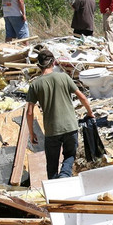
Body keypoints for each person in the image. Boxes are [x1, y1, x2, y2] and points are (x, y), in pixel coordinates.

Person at [27, 49, 95, 179]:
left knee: (51, 165)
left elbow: (29, 113)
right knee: (69, 156)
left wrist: (32, 133)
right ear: (53, 63)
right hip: (70, 127)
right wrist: (90, 113)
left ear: (39, 65)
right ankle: (65, 177)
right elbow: (82, 97)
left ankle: (54, 192)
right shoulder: (64, 77)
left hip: (52, 130)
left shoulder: (35, 85)